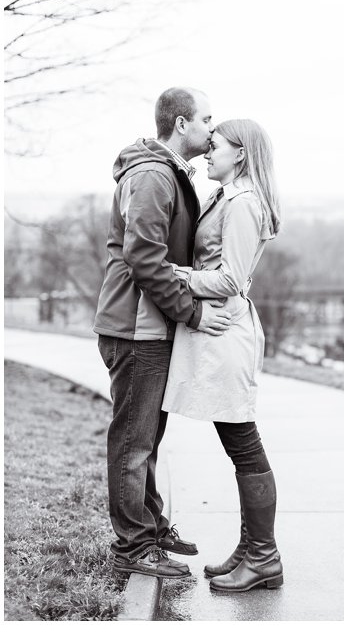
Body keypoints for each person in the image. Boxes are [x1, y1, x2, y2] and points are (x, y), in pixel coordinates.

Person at [94, 87, 234, 579]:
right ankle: (133, 547)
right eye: (207, 120)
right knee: (133, 442)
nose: (213, 129)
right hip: (136, 329)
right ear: (180, 124)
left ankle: (149, 529)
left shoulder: (167, 171)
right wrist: (192, 313)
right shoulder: (154, 174)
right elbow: (145, 258)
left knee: (147, 439)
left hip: (149, 328)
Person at [161, 119, 283, 593]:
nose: (206, 154)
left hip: (226, 334)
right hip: (217, 331)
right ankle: (250, 548)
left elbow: (230, 279)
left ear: (241, 155)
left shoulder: (244, 204)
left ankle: (264, 557)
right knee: (239, 444)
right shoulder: (226, 197)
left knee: (244, 444)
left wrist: (175, 274)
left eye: (215, 147)